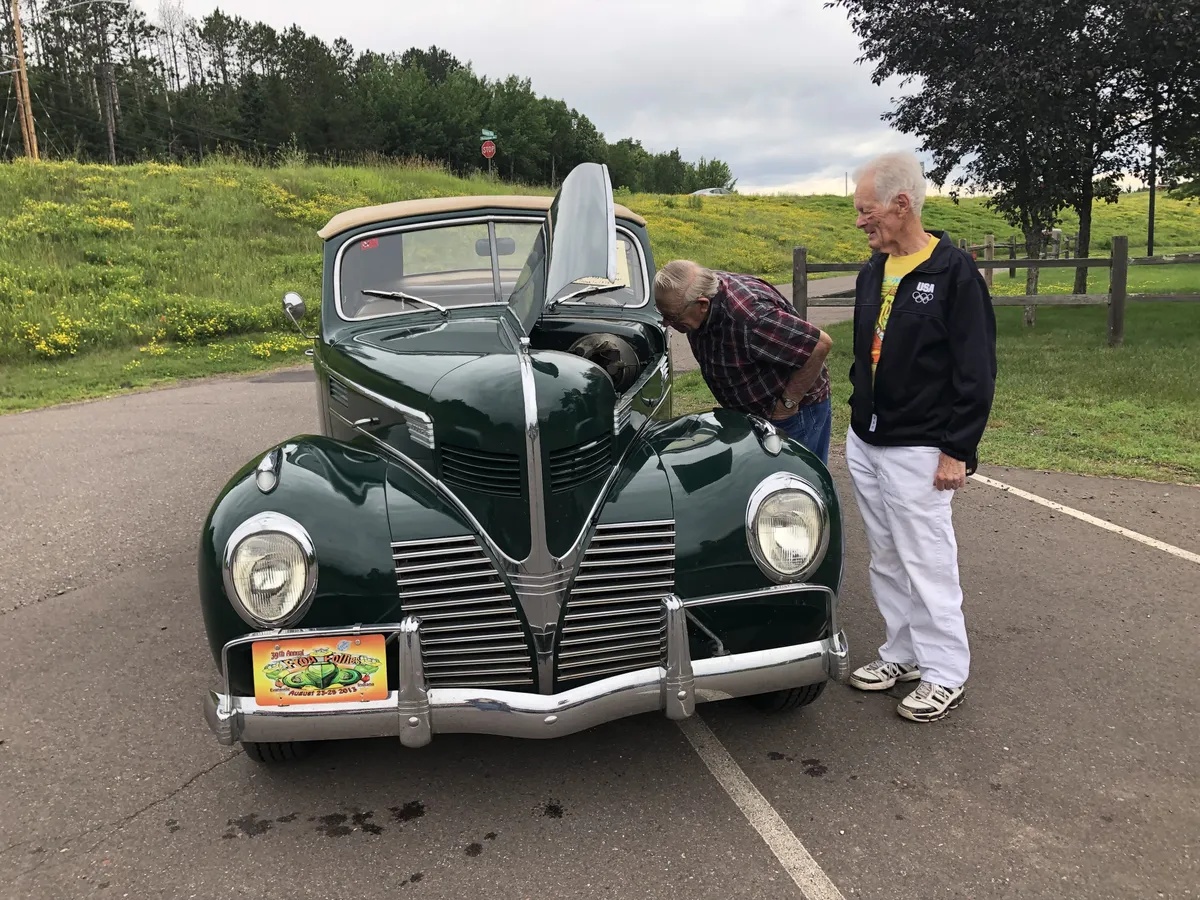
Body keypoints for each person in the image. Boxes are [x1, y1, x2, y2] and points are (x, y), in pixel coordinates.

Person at [844, 150, 997, 723]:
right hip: (868, 439)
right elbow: (868, 355)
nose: (861, 221)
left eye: (867, 211)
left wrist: (958, 448)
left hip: (920, 445)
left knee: (926, 558)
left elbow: (976, 369)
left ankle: (944, 672)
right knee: (885, 554)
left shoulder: (954, 273)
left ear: (901, 204)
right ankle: (902, 654)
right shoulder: (873, 270)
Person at [653, 261, 834, 464]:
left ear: (702, 304)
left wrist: (787, 405)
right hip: (753, 413)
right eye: (663, 315)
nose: (667, 324)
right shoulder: (697, 292)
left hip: (795, 413)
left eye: (672, 316)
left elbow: (819, 345)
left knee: (794, 483)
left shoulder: (751, 318)